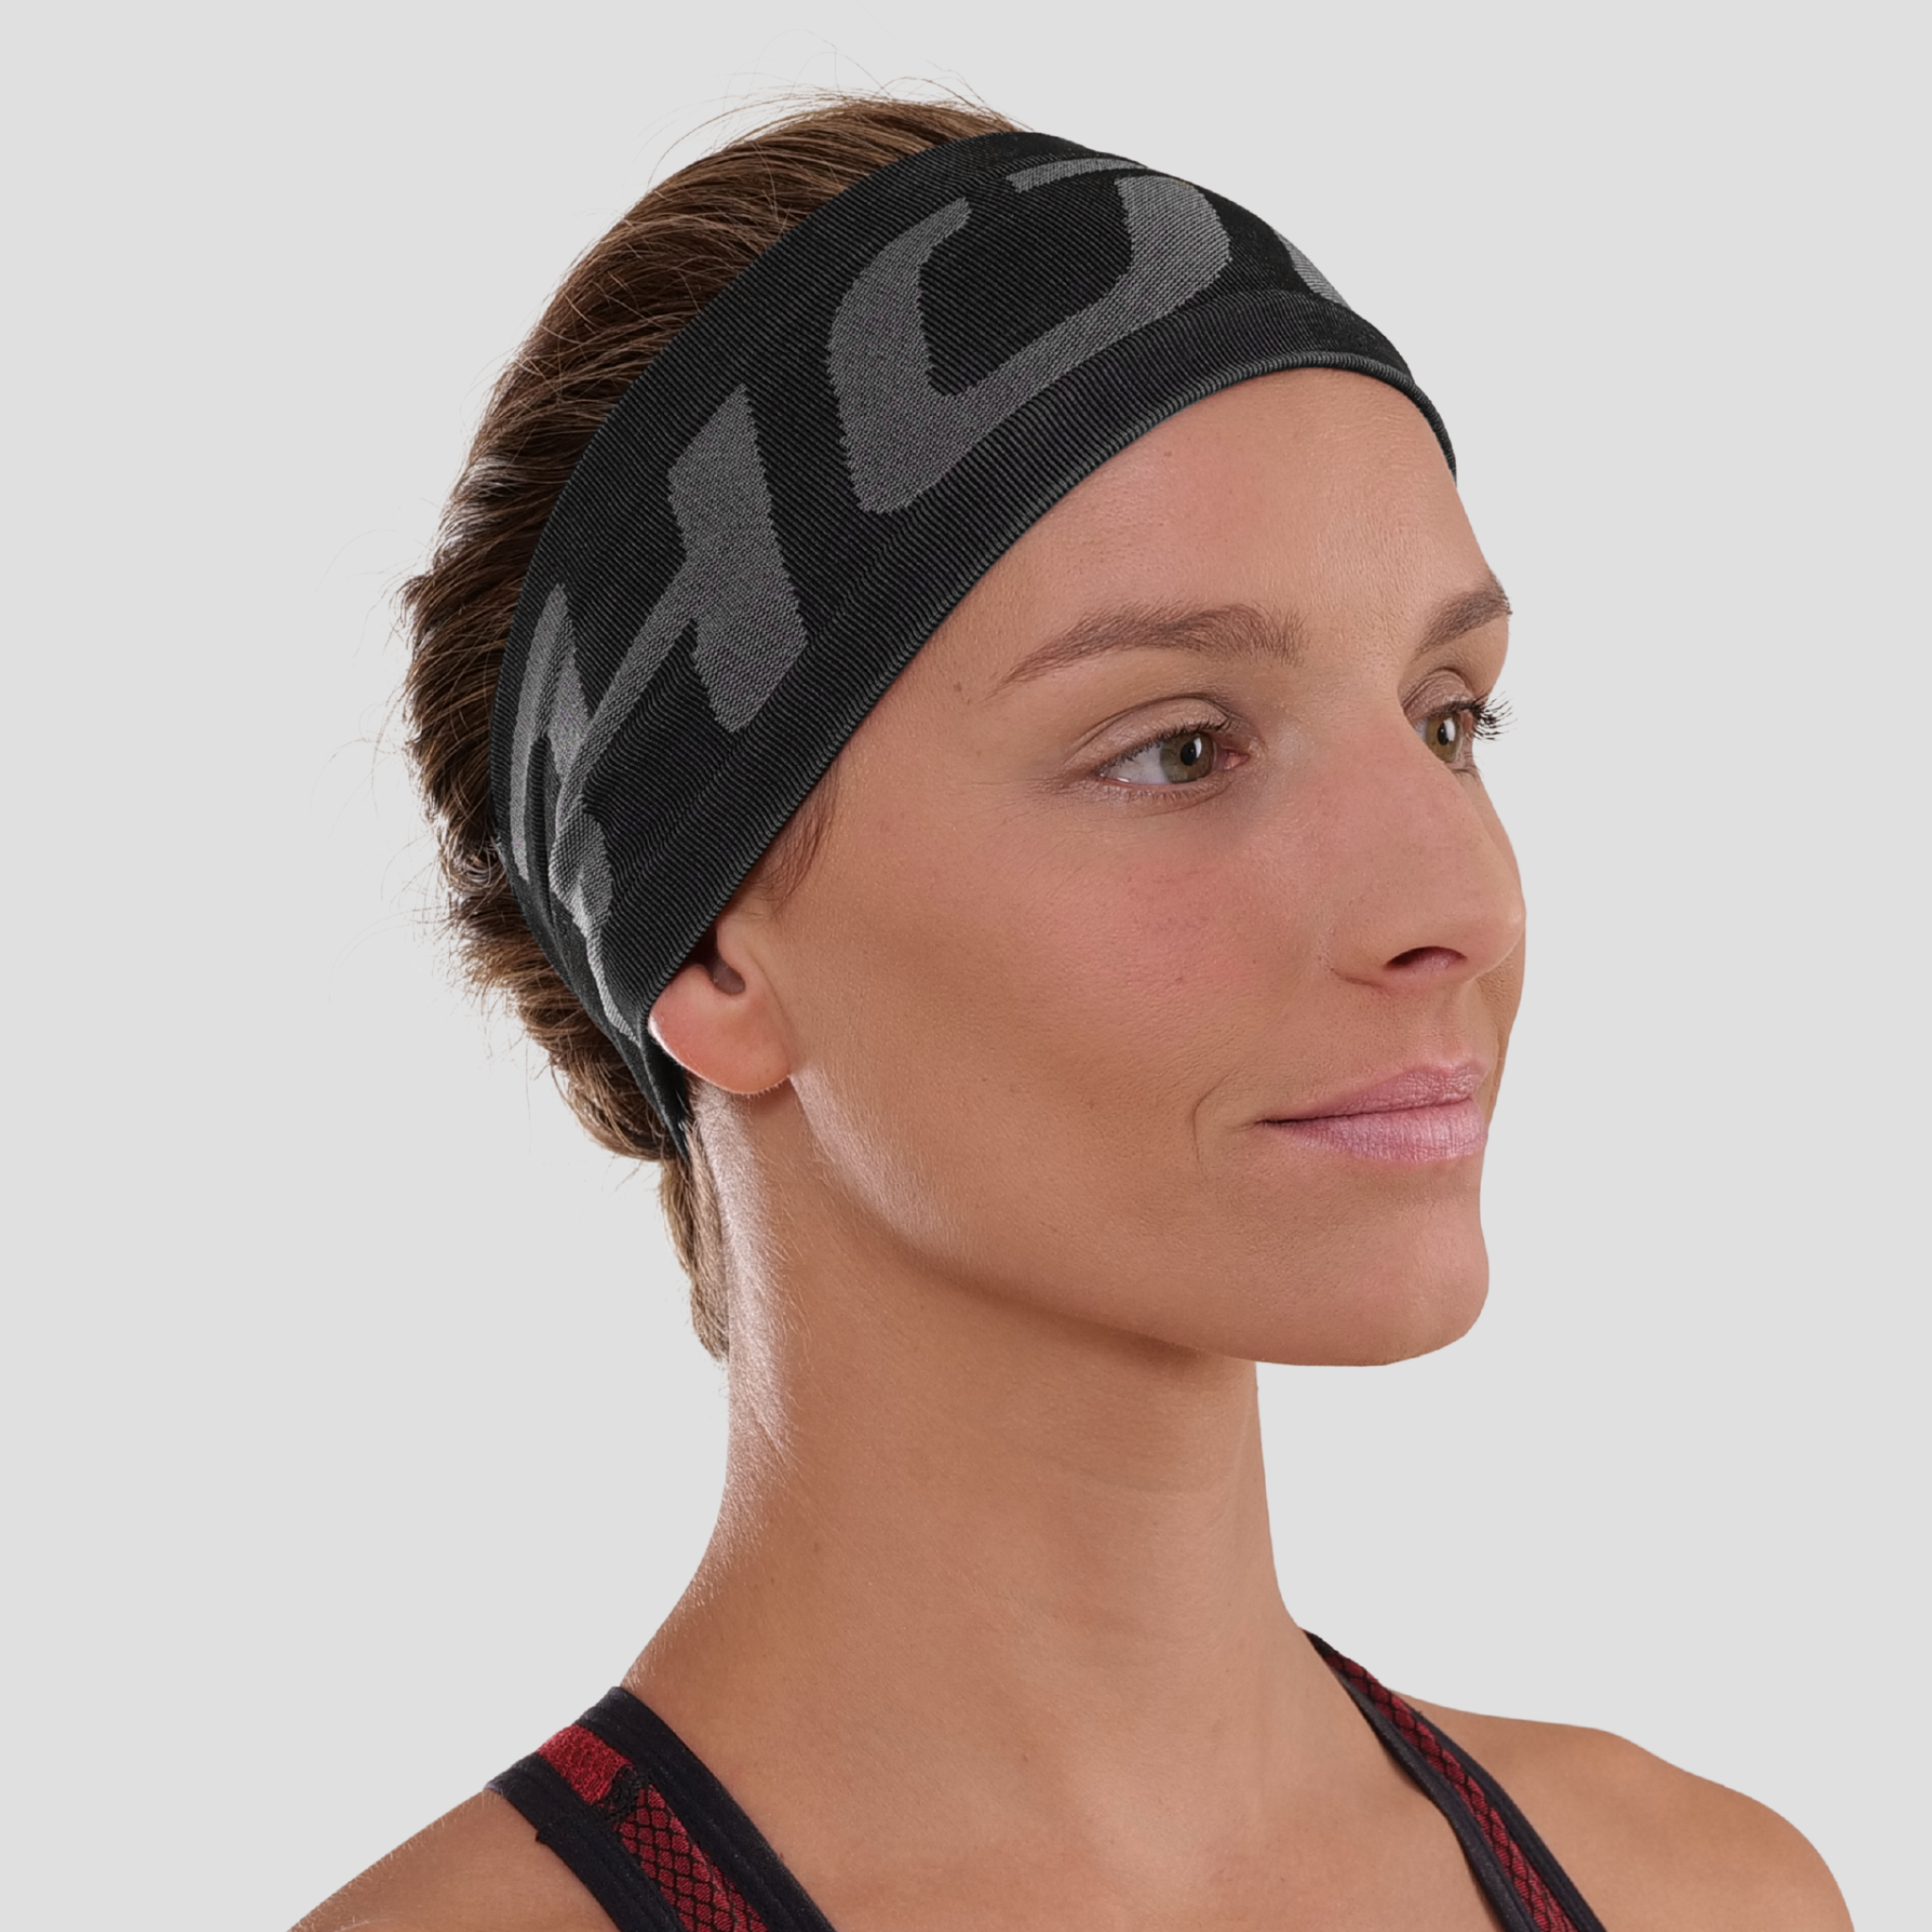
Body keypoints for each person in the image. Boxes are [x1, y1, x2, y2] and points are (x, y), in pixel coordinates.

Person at [297, 92, 1852, 1932]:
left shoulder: (1708, 1896)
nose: (1462, 906)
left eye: (1449, 718)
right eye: (1180, 749)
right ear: (713, 949)